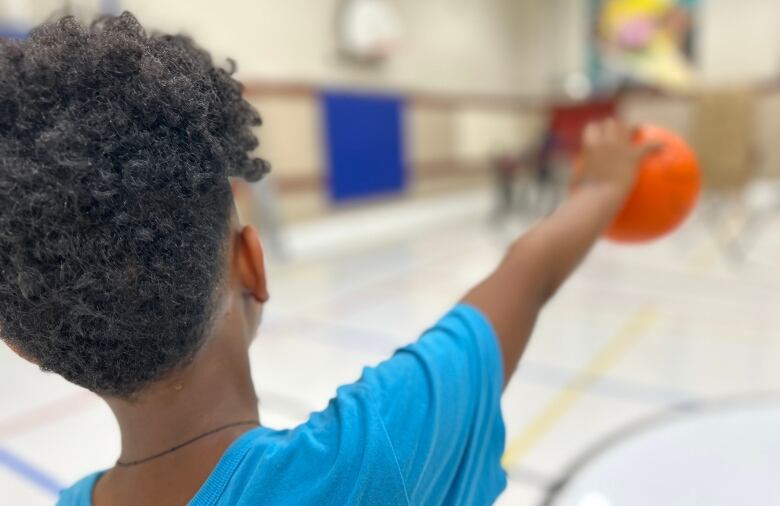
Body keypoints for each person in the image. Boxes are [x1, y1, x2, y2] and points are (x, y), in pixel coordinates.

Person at [0, 13, 655, 506]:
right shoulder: (371, 461)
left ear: (28, 347)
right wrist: (602, 188)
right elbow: (529, 274)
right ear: (253, 266)